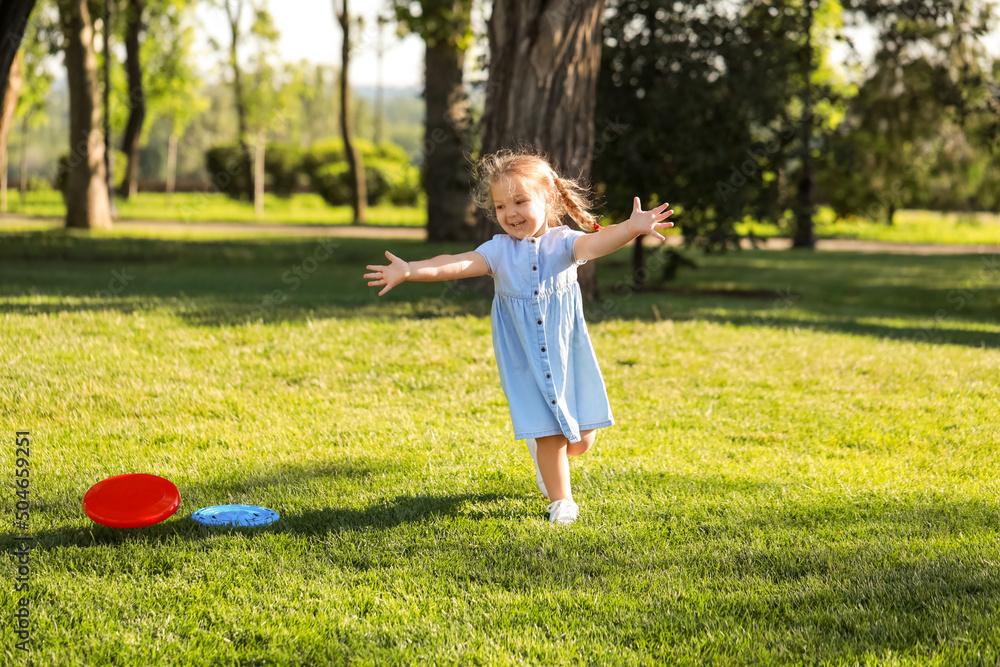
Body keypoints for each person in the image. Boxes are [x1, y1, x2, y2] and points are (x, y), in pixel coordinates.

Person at [363, 148, 674, 524]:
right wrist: (411, 269)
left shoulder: (564, 242)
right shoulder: (498, 251)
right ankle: (561, 501)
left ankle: (546, 454)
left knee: (582, 438)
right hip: (526, 357)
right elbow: (457, 262)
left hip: (564, 353)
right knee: (551, 435)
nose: (509, 213)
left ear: (548, 199)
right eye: (500, 206)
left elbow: (597, 243)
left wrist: (630, 228)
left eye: (520, 201)